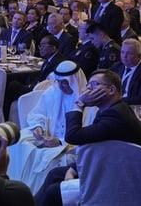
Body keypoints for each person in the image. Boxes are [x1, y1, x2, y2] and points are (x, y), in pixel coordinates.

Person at [33, 69, 141, 206]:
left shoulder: (115, 116)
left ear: (111, 90)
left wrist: (79, 103)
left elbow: (73, 136)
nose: (87, 90)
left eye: (94, 85)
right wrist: (74, 168)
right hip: (111, 167)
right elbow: (94, 147)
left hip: (121, 179)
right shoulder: (114, 110)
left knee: (54, 192)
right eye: (88, 85)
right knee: (55, 174)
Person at [7, 60, 89, 193]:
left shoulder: (87, 102)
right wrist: (38, 127)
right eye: (59, 82)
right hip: (47, 136)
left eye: (65, 82)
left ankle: (36, 195)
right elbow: (38, 114)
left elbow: (86, 133)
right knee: (17, 141)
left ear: (74, 81)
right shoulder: (53, 92)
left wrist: (60, 141)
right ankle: (15, 188)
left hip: (70, 146)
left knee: (46, 159)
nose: (62, 87)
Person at [109, 38, 141, 106]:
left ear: (139, 56)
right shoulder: (117, 66)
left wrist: (115, 100)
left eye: (129, 53)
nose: (124, 56)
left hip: (132, 108)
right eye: (122, 52)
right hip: (113, 105)